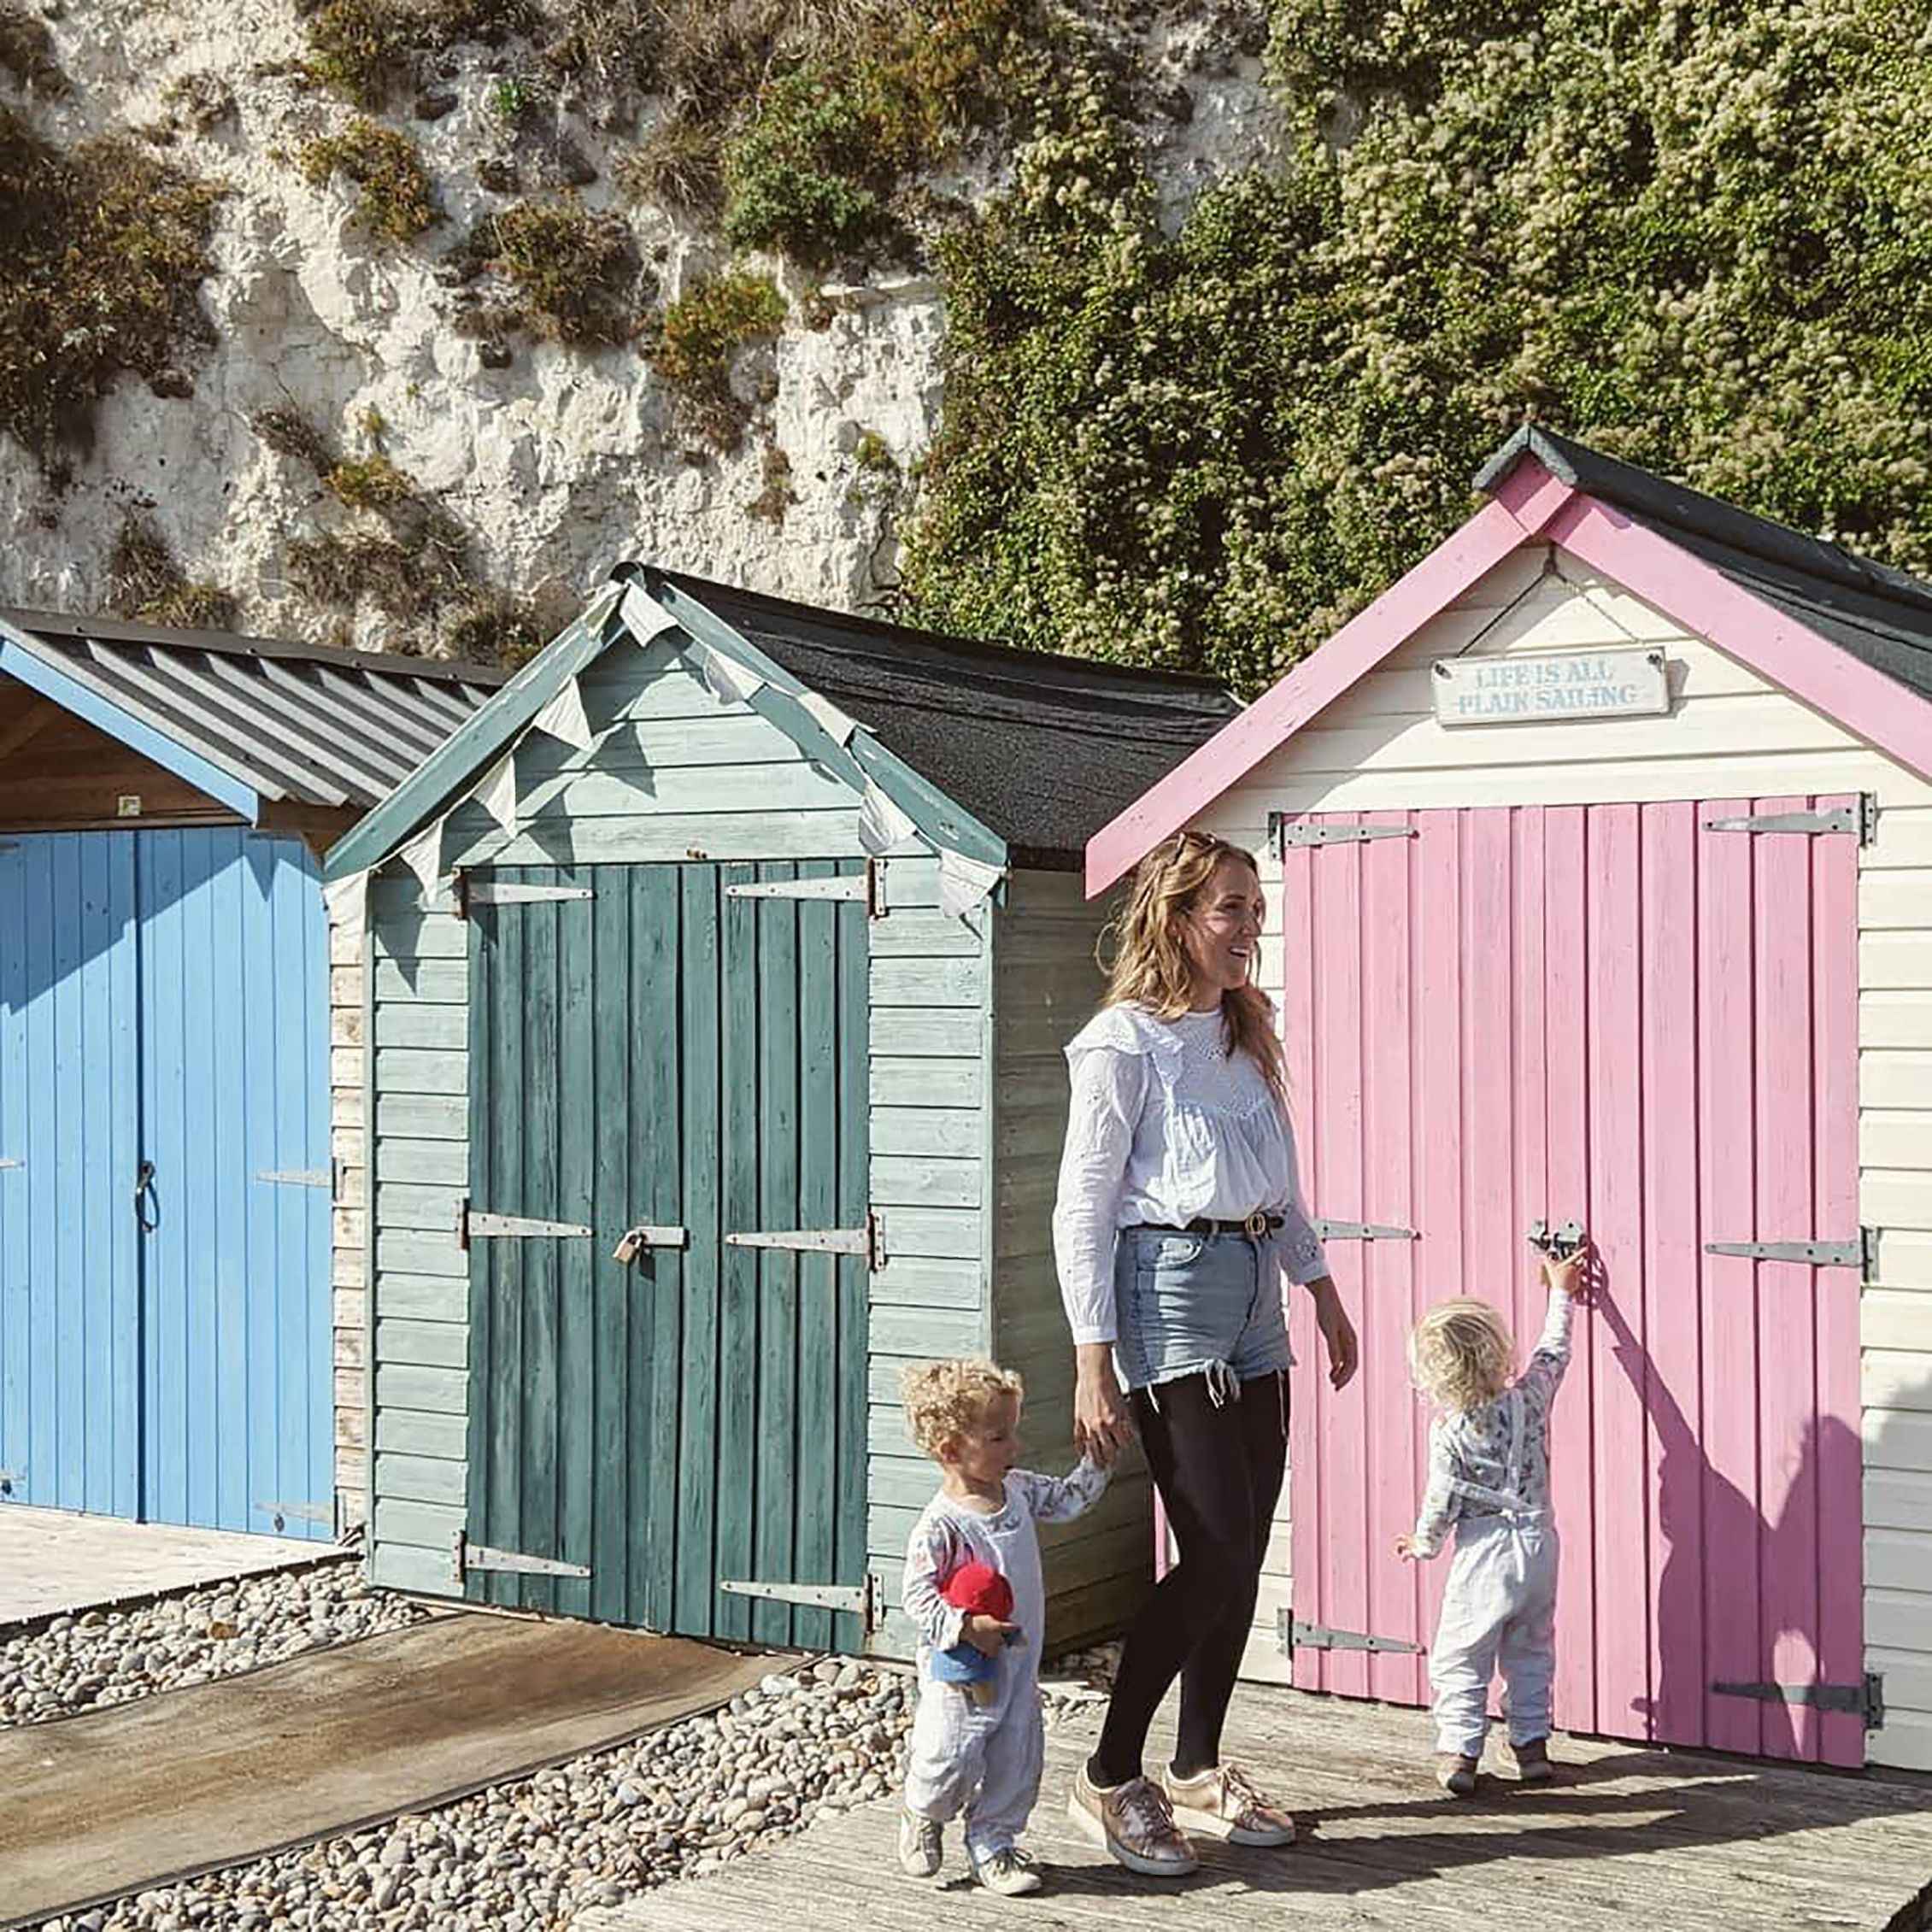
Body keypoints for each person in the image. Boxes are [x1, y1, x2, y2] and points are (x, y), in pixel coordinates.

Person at [1052, 828, 1359, 1878]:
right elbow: (1081, 1206)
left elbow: (1281, 1178)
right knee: (1216, 1546)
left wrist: (1320, 1290)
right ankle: (1106, 1773)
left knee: (1243, 1547)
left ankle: (1195, 1761)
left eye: (1253, 906)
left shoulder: (1244, 1029)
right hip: (1167, 1295)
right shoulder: (1122, 1043)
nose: (1248, 927)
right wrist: (1093, 1356)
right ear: (1177, 918)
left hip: (1255, 1295)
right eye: (1229, 907)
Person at [898, 1359, 1110, 1895]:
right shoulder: (941, 1525)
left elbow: (1066, 1501)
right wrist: (966, 1625)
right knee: (948, 1755)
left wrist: (1099, 1460)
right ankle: (924, 1811)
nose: (1012, 1446)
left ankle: (994, 1845)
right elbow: (916, 1596)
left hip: (1019, 1666)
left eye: (1012, 1432)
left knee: (1017, 1759)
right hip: (962, 1672)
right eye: (997, 1437)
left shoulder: (1016, 1489)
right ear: (951, 1450)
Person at [1395, 1246, 1584, 1794]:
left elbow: (1442, 1498)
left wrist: (1424, 1544)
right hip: (1538, 1545)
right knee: (1531, 1647)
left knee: (1462, 1653)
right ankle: (1531, 1744)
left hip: (1484, 1553)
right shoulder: (1528, 1401)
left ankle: (1459, 1751)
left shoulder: (1450, 1433)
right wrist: (1561, 1291)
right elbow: (1554, 1352)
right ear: (1498, 1352)